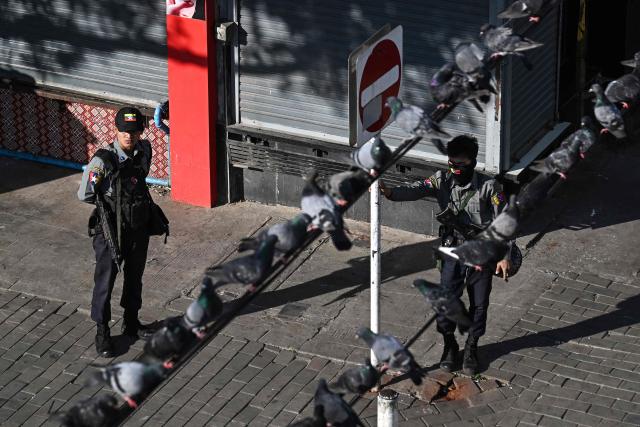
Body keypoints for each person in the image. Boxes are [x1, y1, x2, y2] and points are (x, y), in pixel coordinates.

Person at [379, 135, 511, 375]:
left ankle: (471, 347)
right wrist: (390, 192)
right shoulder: (442, 180)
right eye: (451, 163)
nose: (455, 169)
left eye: (460, 165)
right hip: (453, 251)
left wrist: (503, 255)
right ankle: (449, 345)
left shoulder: (490, 187)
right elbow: (417, 189)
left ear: (472, 162)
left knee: (479, 304)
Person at [78, 107, 155, 357]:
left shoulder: (144, 151)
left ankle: (131, 323)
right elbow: (85, 194)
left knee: (135, 279)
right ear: (116, 130)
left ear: (141, 132)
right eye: (124, 131)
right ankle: (102, 332)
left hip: (137, 228)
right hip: (110, 231)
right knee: (105, 282)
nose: (129, 137)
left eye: (133, 132)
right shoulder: (103, 160)